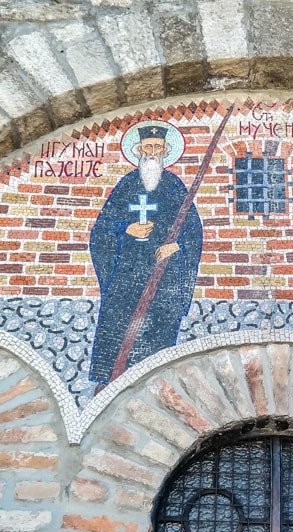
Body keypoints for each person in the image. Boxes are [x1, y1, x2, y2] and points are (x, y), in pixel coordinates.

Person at [88, 124, 202, 386]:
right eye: (148, 147)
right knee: (117, 332)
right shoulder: (127, 185)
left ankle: (156, 382)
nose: (152, 152)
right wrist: (125, 229)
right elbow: (102, 229)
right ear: (138, 150)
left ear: (166, 151)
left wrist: (177, 247)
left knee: (158, 334)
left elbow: (193, 230)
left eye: (158, 148)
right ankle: (110, 382)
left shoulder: (174, 187)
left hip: (164, 279)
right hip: (124, 278)